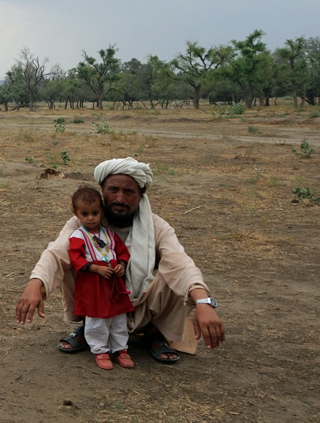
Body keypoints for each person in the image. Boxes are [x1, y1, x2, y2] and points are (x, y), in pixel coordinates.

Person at [15, 157, 224, 364]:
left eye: (129, 192)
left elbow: (180, 262)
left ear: (141, 195)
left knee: (172, 273)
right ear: (102, 191)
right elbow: (55, 252)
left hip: (141, 306)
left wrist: (203, 302)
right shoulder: (82, 223)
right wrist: (35, 284)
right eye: (113, 190)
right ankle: (90, 326)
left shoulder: (157, 226)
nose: (120, 198)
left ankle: (153, 333)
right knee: (71, 259)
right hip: (96, 298)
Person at [67, 185, 134, 370]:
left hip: (113, 284)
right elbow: (76, 258)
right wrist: (96, 268)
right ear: (76, 214)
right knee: (96, 317)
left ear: (101, 212)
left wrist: (121, 264)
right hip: (93, 284)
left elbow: (122, 251)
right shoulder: (78, 236)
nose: (90, 218)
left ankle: (120, 348)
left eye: (95, 213)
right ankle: (100, 349)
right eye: (85, 214)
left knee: (118, 317)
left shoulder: (109, 234)